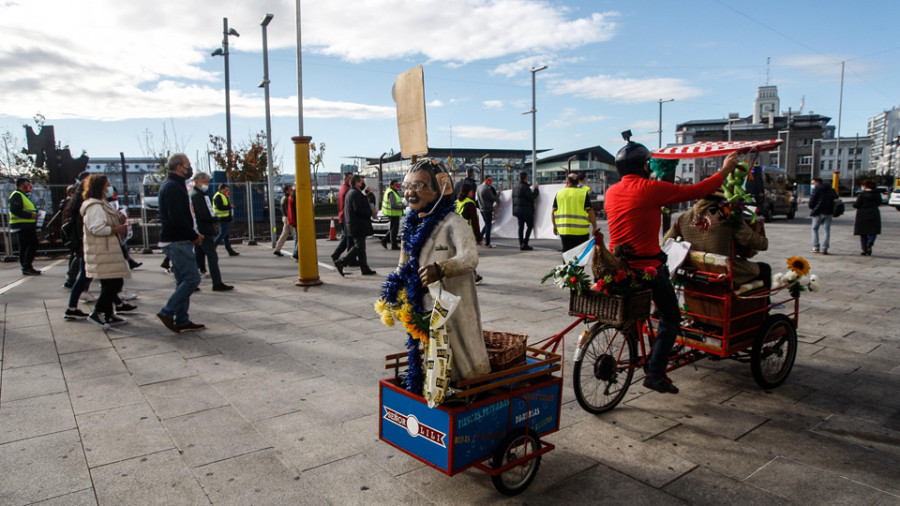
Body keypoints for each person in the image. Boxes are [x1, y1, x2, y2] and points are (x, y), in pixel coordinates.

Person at [604, 132, 738, 394]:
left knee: (635, 311)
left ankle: (632, 349)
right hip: (647, 268)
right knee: (671, 316)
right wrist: (725, 170)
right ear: (645, 166)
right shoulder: (650, 189)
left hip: (618, 266)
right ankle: (655, 372)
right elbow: (698, 191)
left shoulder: (611, 191)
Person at [397, 159, 491, 381]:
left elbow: (470, 257)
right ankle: (434, 382)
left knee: (463, 351)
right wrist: (396, 291)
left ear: (441, 188)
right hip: (425, 302)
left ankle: (467, 384)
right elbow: (403, 263)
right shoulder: (411, 226)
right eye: (407, 186)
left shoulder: (453, 222)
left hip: (455, 304)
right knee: (429, 345)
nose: (411, 192)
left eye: (418, 186)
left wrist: (441, 268)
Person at [663, 192, 770, 288]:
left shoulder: (683, 218)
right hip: (725, 271)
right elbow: (749, 240)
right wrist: (764, 241)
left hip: (696, 271)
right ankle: (764, 308)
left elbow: (666, 241)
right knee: (765, 269)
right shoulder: (727, 215)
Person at [156, 153, 205, 333]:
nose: (190, 169)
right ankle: (167, 312)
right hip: (177, 240)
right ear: (179, 167)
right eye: (187, 165)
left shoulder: (173, 185)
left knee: (182, 281)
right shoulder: (173, 187)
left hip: (176, 239)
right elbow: (178, 218)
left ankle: (182, 320)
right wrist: (193, 236)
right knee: (193, 279)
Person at [80, 174, 130, 329]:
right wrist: (117, 228)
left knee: (109, 282)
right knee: (114, 283)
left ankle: (109, 314)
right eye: (107, 185)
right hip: (103, 249)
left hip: (107, 249)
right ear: (100, 187)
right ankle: (98, 312)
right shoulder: (94, 206)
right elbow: (97, 228)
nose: (110, 188)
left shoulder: (102, 203)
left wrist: (119, 218)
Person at [191, 172, 233, 291]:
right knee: (212, 256)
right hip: (203, 230)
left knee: (198, 256)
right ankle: (217, 283)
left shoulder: (198, 194)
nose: (207, 184)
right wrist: (216, 218)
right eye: (206, 182)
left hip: (201, 229)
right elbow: (204, 214)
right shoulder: (197, 195)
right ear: (197, 181)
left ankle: (192, 282)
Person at [333, 175, 376, 276]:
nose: (363, 184)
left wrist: (366, 194)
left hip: (355, 224)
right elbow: (358, 209)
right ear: (356, 183)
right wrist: (371, 212)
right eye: (362, 182)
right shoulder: (354, 193)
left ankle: (364, 268)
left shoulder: (353, 193)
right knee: (358, 247)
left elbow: (360, 203)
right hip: (357, 224)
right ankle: (342, 262)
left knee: (361, 247)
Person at [552, 174, 597, 252]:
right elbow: (591, 212)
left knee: (567, 256)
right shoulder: (583, 193)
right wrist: (595, 227)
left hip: (565, 232)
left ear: (567, 182)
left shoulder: (559, 193)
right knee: (580, 257)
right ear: (577, 183)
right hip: (581, 232)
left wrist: (555, 226)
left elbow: (553, 212)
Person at [9, 177, 41, 275]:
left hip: (25, 225)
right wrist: (30, 215)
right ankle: (27, 266)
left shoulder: (22, 195)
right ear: (22, 184)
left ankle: (25, 266)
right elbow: (15, 210)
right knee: (33, 243)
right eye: (27, 184)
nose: (29, 186)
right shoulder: (17, 195)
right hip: (23, 225)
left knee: (24, 246)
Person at [456, 183, 483, 284]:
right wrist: (479, 238)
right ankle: (474, 276)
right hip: (467, 234)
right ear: (468, 192)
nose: (473, 193)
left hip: (456, 232)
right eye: (472, 192)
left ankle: (473, 275)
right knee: (469, 256)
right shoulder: (470, 204)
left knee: (463, 255)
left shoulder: (457, 202)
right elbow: (475, 223)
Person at [330, 172, 356, 265]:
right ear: (346, 179)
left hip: (342, 215)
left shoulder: (342, 189)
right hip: (346, 217)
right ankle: (350, 259)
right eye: (351, 178)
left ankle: (336, 254)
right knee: (350, 239)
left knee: (346, 238)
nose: (352, 180)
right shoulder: (348, 190)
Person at [808, 177, 837, 255]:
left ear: (817, 182)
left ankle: (816, 247)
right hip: (828, 213)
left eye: (813, 183)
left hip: (817, 212)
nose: (812, 185)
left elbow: (812, 202)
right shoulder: (832, 190)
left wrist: (811, 207)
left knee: (814, 229)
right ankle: (825, 249)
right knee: (826, 230)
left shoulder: (816, 190)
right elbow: (836, 200)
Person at [853, 179, 881, 256]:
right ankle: (870, 242)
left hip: (862, 214)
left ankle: (864, 250)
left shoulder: (862, 194)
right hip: (874, 213)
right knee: (873, 231)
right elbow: (879, 202)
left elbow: (856, 205)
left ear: (865, 186)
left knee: (863, 232)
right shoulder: (876, 193)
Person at [512, 171, 539, 250]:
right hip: (526, 211)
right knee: (530, 226)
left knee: (521, 227)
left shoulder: (515, 187)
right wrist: (536, 190)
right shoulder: (525, 187)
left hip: (517, 211)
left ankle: (521, 243)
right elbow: (531, 197)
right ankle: (525, 243)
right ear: (526, 178)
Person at [213, 183, 239, 256]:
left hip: (225, 218)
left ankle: (230, 251)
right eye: (226, 190)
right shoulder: (218, 196)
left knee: (226, 236)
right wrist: (229, 207)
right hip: (222, 218)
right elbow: (219, 207)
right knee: (222, 234)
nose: (227, 191)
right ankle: (213, 247)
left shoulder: (222, 195)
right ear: (222, 189)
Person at [476, 175, 499, 248]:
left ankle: (480, 237)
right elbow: (494, 198)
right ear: (485, 180)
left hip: (482, 208)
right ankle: (487, 242)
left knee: (487, 224)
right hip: (487, 208)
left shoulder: (479, 187)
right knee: (488, 225)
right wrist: (498, 194)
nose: (491, 181)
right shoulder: (487, 188)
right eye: (489, 180)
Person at [380, 180, 405, 250]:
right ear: (391, 185)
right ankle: (393, 244)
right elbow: (393, 205)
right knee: (394, 230)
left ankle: (385, 240)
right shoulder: (391, 193)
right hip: (393, 213)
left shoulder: (391, 191)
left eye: (398, 185)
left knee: (393, 229)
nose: (397, 186)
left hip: (393, 213)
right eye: (396, 185)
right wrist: (402, 207)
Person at [273, 184, 295, 256]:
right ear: (286, 191)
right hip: (289, 217)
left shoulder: (283, 198)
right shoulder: (287, 198)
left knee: (284, 234)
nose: (291, 190)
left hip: (285, 217)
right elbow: (289, 210)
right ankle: (297, 251)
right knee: (295, 234)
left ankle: (277, 249)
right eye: (290, 189)